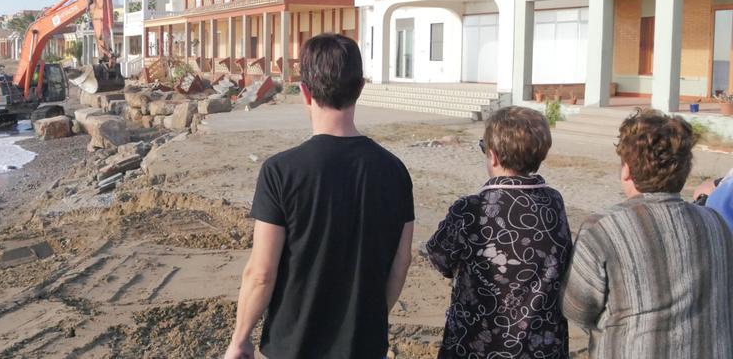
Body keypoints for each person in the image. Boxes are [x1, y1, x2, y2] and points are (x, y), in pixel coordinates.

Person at [223, 34, 414, 359]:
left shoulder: (280, 172)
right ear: (360, 88)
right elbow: (401, 260)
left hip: (291, 347)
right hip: (364, 347)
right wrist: (368, 320)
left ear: (305, 93)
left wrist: (240, 338)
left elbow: (261, 273)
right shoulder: (395, 171)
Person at [561, 109, 733, 358]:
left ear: (627, 170)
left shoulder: (602, 230)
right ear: (684, 171)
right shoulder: (716, 223)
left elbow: (576, 307)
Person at [426, 106, 572, 358]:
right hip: (542, 347)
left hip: (477, 345)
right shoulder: (553, 202)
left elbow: (440, 258)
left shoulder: (471, 209)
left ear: (492, 156)